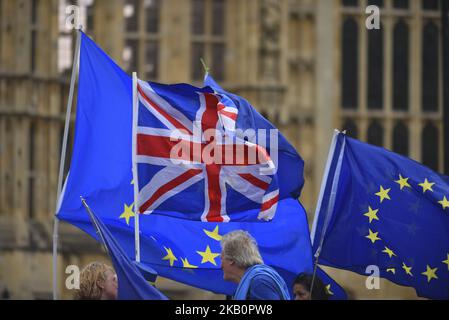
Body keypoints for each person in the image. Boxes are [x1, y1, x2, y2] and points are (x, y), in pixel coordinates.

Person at [220, 230, 290, 300]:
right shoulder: (252, 282)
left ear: (231, 260)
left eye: (222, 259)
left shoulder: (259, 282)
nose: (220, 266)